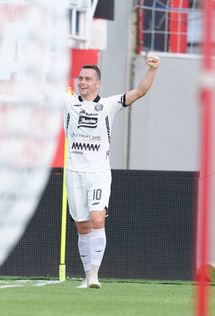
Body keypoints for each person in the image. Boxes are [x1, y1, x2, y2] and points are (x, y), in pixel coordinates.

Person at [61, 55, 160, 289]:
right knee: (82, 227)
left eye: (88, 79)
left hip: (98, 173)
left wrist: (153, 70)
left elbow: (140, 92)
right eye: (80, 78)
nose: (82, 82)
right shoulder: (67, 102)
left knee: (97, 220)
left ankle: (94, 276)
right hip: (74, 172)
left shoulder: (109, 104)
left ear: (98, 83)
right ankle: (87, 277)